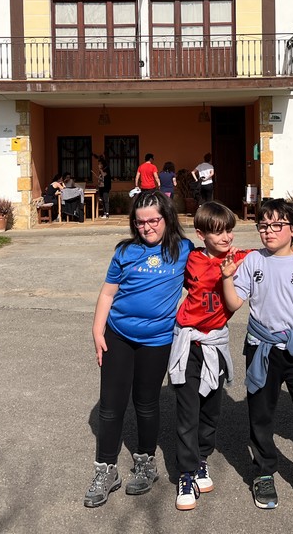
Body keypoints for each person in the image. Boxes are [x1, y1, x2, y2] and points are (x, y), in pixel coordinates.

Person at [168, 201, 293, 511]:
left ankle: (202, 459)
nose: (226, 237)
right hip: (188, 340)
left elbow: (279, 249)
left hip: (216, 342)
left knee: (211, 409)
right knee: (188, 410)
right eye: (217, 232)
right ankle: (187, 472)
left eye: (229, 231)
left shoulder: (242, 258)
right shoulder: (191, 258)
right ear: (201, 235)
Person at [218, 198, 293, 514]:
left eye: (277, 225)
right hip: (261, 348)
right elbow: (234, 303)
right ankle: (263, 472)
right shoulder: (253, 261)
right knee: (260, 415)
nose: (269, 231)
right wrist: (226, 277)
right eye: (263, 225)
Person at [84, 191, 194, 509]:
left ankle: (146, 462)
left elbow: (211, 268)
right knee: (111, 405)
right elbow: (108, 293)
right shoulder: (125, 251)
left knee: (146, 403)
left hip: (157, 341)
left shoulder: (184, 250)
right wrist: (97, 330)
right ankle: (106, 470)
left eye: (153, 220)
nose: (147, 227)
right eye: (140, 222)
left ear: (167, 218)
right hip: (118, 336)